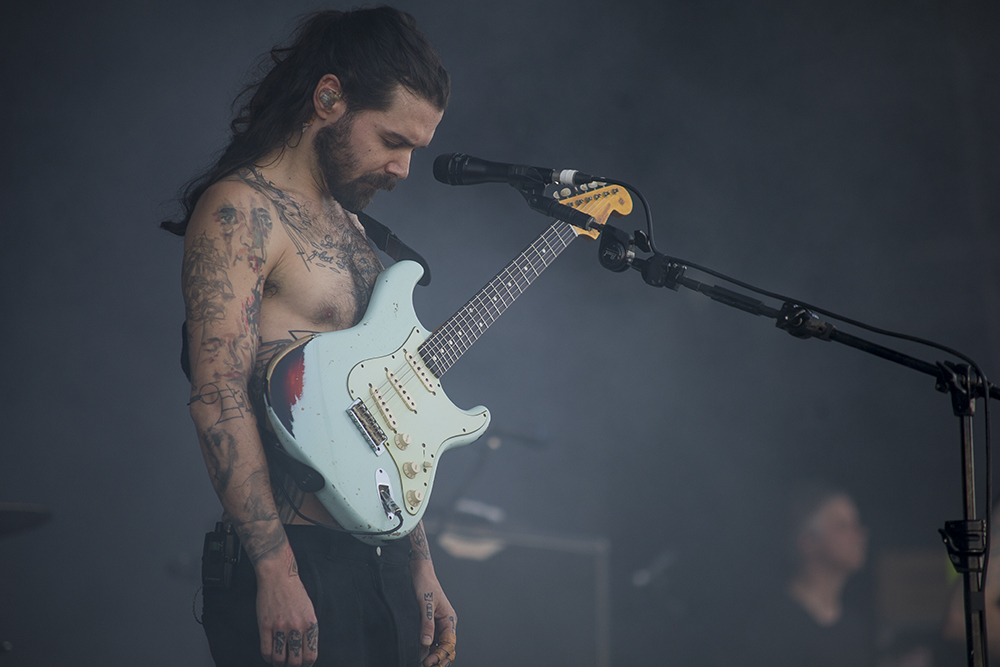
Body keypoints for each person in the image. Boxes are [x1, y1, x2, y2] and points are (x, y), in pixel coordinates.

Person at [162, 8, 456, 666]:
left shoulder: (355, 232)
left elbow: (385, 419)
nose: (403, 168)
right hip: (294, 559)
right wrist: (277, 572)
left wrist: (420, 561)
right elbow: (218, 395)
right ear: (329, 98)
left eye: (415, 148)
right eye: (392, 140)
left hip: (375, 557)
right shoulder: (242, 211)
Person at [744, 482, 875, 667]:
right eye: (843, 526)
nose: (859, 534)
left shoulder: (853, 628)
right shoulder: (772, 625)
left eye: (856, 524)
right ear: (808, 542)